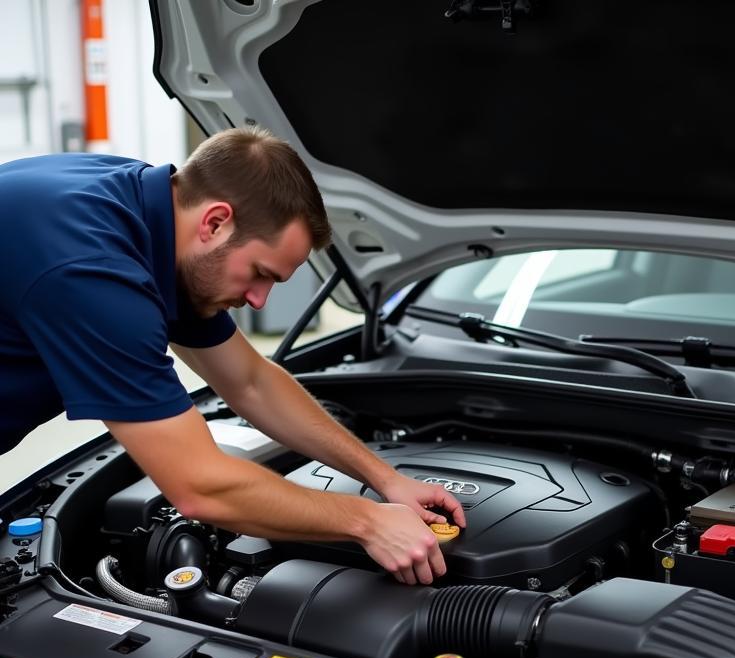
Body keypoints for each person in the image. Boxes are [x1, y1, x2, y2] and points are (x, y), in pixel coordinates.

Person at [0, 127, 464, 585]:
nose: (259, 301)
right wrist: (367, 521)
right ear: (216, 222)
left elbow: (250, 381)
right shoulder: (93, 272)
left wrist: (385, 480)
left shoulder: (151, 214)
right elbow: (198, 487)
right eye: (259, 273)